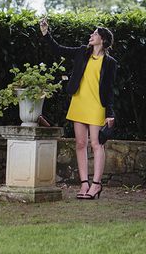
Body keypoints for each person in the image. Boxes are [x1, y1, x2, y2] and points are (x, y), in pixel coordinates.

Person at [40, 18, 117, 200]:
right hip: (79, 103)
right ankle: (84, 184)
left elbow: (109, 89)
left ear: (103, 39)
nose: (91, 35)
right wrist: (45, 33)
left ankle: (96, 185)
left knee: (96, 144)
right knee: (80, 144)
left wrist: (110, 113)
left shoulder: (110, 62)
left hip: (97, 105)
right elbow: (59, 49)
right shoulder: (82, 52)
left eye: (95, 33)